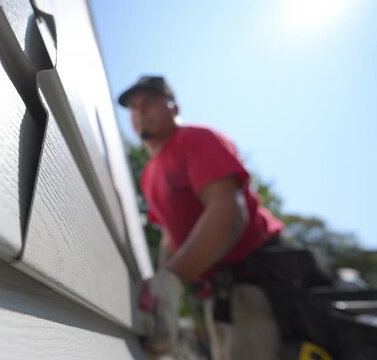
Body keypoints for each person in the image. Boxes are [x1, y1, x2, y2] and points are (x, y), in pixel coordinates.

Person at [119, 76, 286, 360]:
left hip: (254, 282)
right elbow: (171, 239)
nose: (140, 111)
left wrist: (171, 281)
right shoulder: (149, 175)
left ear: (174, 107)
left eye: (149, 102)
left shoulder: (195, 139)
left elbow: (229, 214)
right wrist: (162, 297)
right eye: (133, 107)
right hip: (215, 296)